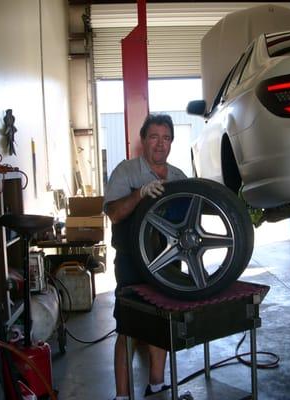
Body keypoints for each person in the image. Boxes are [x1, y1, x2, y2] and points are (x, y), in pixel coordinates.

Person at [103, 114, 187, 400]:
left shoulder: (178, 177)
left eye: (165, 138)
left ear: (171, 142)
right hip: (132, 262)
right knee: (128, 327)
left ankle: (156, 384)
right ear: (143, 140)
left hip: (167, 262)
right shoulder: (126, 172)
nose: (160, 144)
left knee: (161, 324)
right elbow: (114, 214)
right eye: (154, 137)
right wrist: (139, 194)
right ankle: (122, 395)